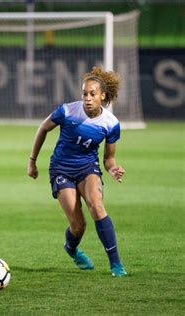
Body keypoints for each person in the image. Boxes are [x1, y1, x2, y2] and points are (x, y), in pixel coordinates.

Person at [27, 66, 127, 277]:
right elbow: (43, 128)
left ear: (103, 96)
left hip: (87, 167)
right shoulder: (68, 111)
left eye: (92, 94)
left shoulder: (111, 124)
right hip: (61, 168)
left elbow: (108, 159)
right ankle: (71, 248)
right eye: (84, 94)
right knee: (78, 226)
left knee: (97, 206)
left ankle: (116, 264)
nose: (87, 98)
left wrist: (113, 169)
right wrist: (32, 161)